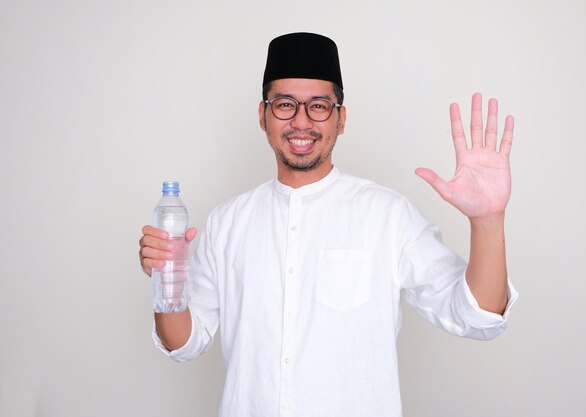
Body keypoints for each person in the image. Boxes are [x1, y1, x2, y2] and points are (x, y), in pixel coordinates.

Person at [139, 32, 518, 417]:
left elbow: (478, 315)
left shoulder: (387, 215)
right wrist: (164, 277)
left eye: (319, 105)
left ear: (341, 118)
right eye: (285, 104)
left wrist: (488, 220)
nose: (301, 121)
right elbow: (183, 343)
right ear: (262, 115)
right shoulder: (227, 222)